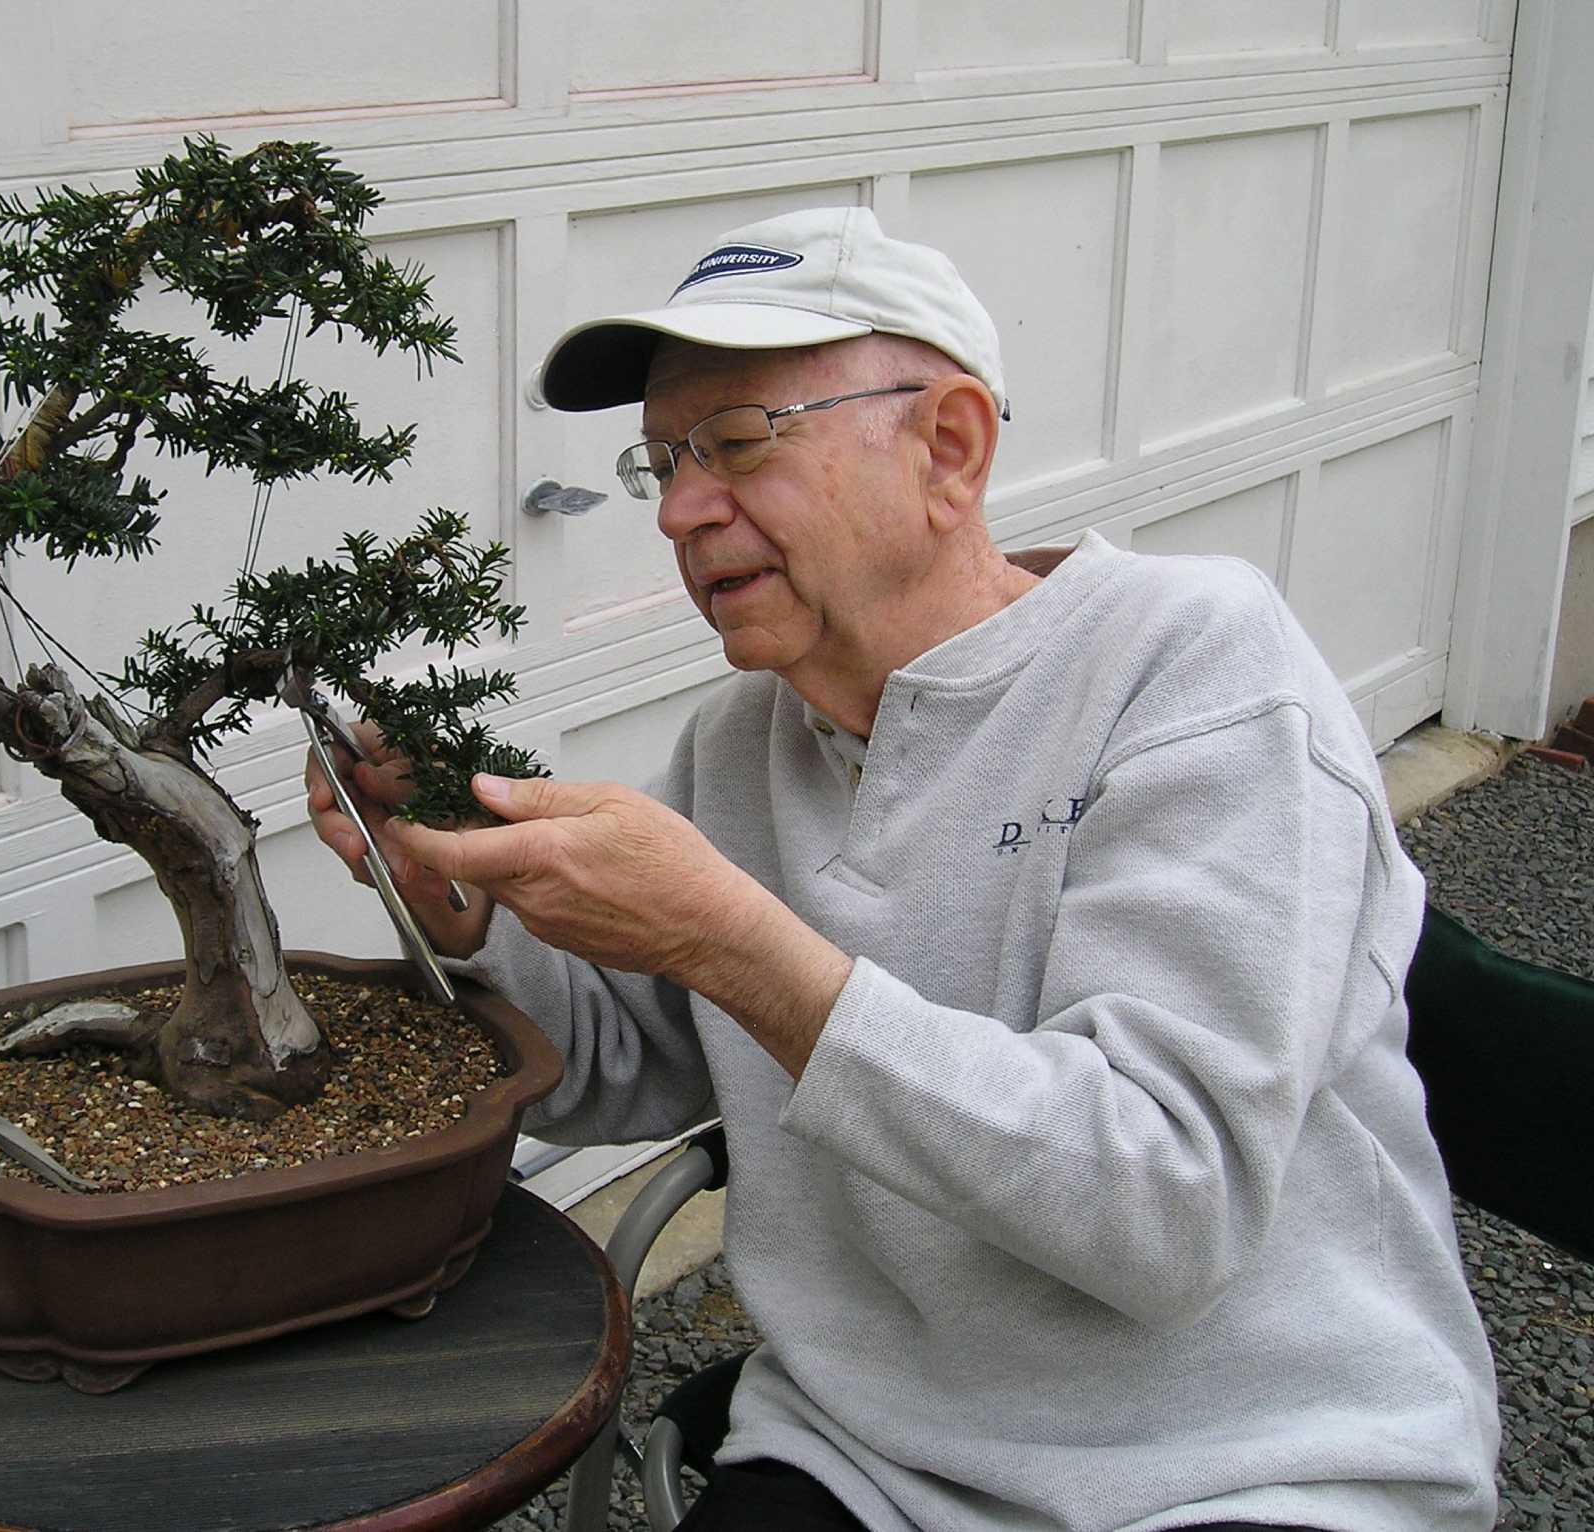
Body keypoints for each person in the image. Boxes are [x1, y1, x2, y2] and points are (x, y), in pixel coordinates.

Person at [305, 207, 1501, 1532]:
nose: (686, 511)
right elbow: (617, 1063)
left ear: (951, 446)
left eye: (741, 443)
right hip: (867, 1454)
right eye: (662, 465)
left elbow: (1165, 1208)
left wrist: (731, 944)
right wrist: (459, 907)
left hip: (1244, 1463)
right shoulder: (743, 742)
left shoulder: (1194, 669)